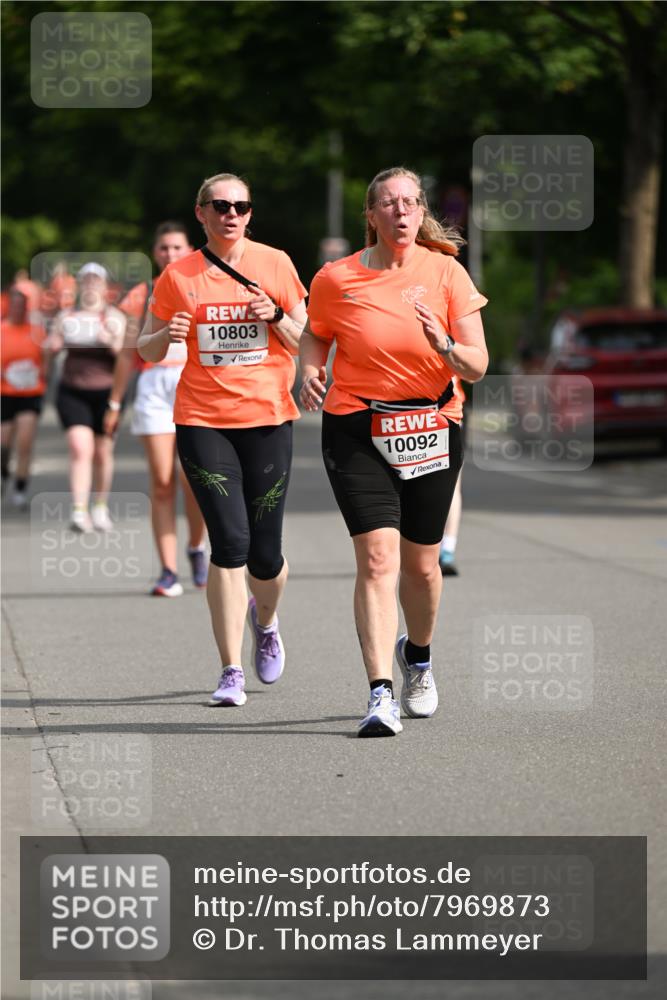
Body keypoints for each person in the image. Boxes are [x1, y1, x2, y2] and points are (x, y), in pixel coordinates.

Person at [300, 166, 489, 738]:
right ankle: (379, 692)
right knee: (377, 560)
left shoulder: (447, 273)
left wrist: (447, 346)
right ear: (372, 215)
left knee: (422, 566)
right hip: (357, 426)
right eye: (389, 203)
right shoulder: (337, 278)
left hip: (432, 422)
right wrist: (308, 368)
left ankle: (420, 658)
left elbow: (477, 366)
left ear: (421, 210)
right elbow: (315, 332)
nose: (401, 211)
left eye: (410, 202)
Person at [137, 172, 307, 705]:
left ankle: (268, 617)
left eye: (241, 205)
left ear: (250, 213)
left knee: (266, 555)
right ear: (201, 212)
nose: (232, 213)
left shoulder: (275, 263)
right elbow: (144, 347)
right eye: (221, 205)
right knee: (229, 544)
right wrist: (169, 335)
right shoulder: (178, 274)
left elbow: (308, 338)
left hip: (268, 418)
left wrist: (275, 315)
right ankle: (230, 669)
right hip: (202, 420)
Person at [104, 222, 208, 597]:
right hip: (154, 387)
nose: (170, 254)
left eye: (177, 247)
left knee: (193, 479)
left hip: (195, 383)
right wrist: (115, 403)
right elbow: (128, 354)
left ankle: (196, 546)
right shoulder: (142, 293)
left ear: (189, 249)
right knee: (162, 483)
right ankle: (168, 570)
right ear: (155, 252)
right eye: (163, 248)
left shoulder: (203, 284)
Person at [45, 262, 126, 532]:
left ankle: (100, 507)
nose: (91, 284)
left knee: (102, 453)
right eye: (86, 279)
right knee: (81, 449)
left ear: (105, 286)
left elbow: (126, 358)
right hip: (73, 391)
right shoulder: (66, 316)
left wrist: (109, 341)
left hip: (106, 394)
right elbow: (49, 349)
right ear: (79, 285)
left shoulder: (114, 317)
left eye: (96, 280)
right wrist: (52, 347)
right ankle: (79, 511)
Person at [1, 288, 47, 508]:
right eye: (15, 305)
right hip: (5, 393)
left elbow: (46, 359)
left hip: (30, 393)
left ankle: (20, 488)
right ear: (9, 306)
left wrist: (41, 373)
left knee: (25, 443)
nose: (18, 310)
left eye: (23, 306)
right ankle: (3, 472)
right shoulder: (2, 330)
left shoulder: (36, 332)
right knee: (3, 444)